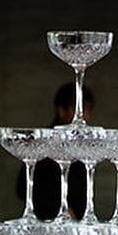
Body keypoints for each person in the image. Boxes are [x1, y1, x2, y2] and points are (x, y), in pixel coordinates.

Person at [17, 82, 92, 220]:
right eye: (79, 111)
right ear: (61, 110)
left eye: (87, 110)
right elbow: (22, 188)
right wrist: (60, 210)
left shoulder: (83, 144)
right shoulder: (42, 144)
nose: (84, 117)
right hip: (47, 225)